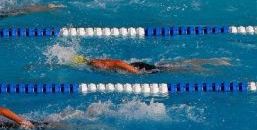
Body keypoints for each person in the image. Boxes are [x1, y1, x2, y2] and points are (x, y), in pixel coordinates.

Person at [72, 55, 232, 75]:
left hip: (138, 67)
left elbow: (118, 62)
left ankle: (204, 67)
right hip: (136, 64)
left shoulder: (97, 64)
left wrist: (135, 72)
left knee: (172, 69)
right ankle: (209, 61)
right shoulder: (94, 61)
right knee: (169, 66)